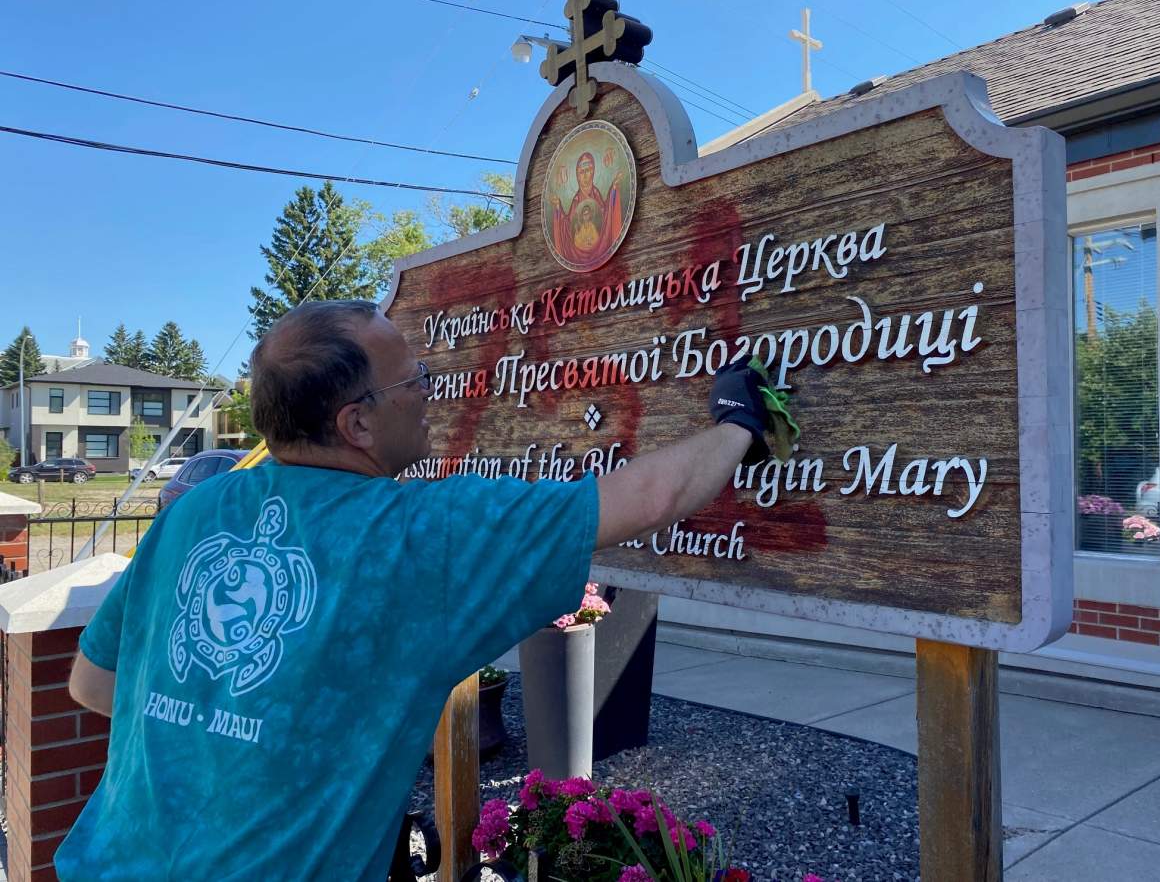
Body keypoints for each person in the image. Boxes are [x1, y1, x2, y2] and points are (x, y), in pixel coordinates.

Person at [58, 299, 771, 880]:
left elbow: (92, 684)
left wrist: (230, 731)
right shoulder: (423, 539)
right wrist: (741, 423)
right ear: (357, 422)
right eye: (415, 380)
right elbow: (648, 496)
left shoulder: (192, 516)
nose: (431, 391)